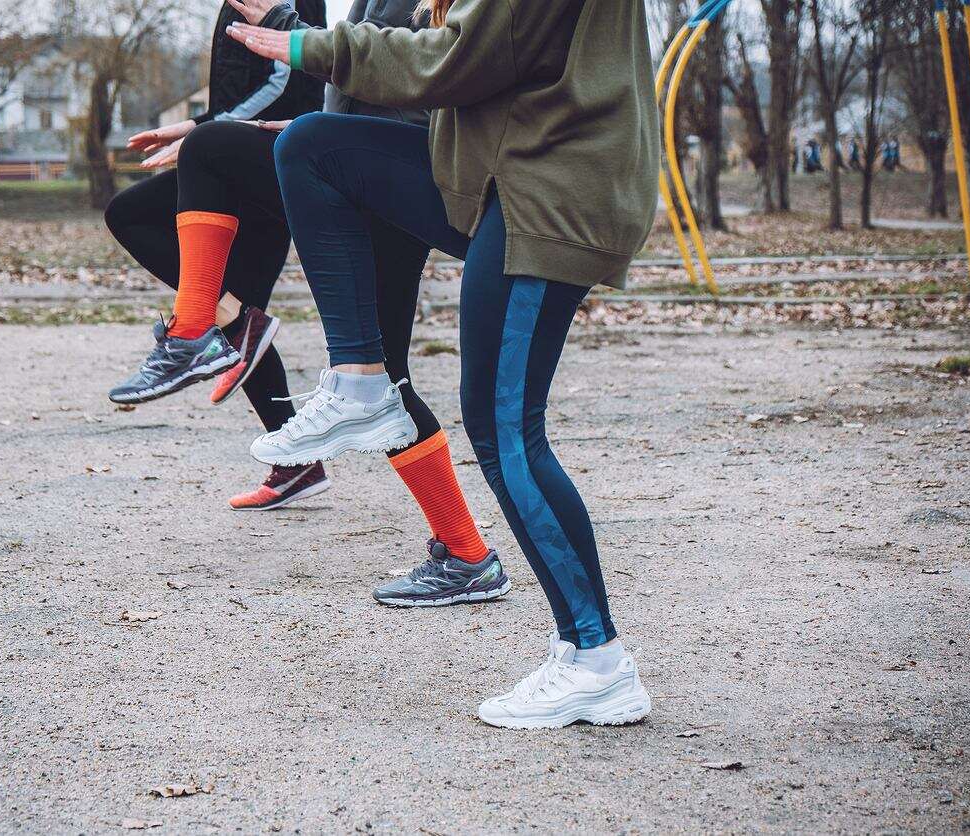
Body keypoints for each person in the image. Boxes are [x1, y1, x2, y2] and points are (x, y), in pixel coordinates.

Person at [230, 0, 656, 729]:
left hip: (548, 195)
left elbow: (453, 61)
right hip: (506, 175)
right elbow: (467, 62)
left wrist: (307, 45)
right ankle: (361, 379)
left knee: (505, 433)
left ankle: (596, 659)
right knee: (314, 146)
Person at [102, 0, 510, 608]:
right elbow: (355, 95)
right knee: (384, 382)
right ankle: (468, 554)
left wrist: (288, 36)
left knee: (213, 152)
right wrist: (256, 129)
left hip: (391, 174)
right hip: (358, 168)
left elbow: (409, 78)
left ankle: (202, 332)